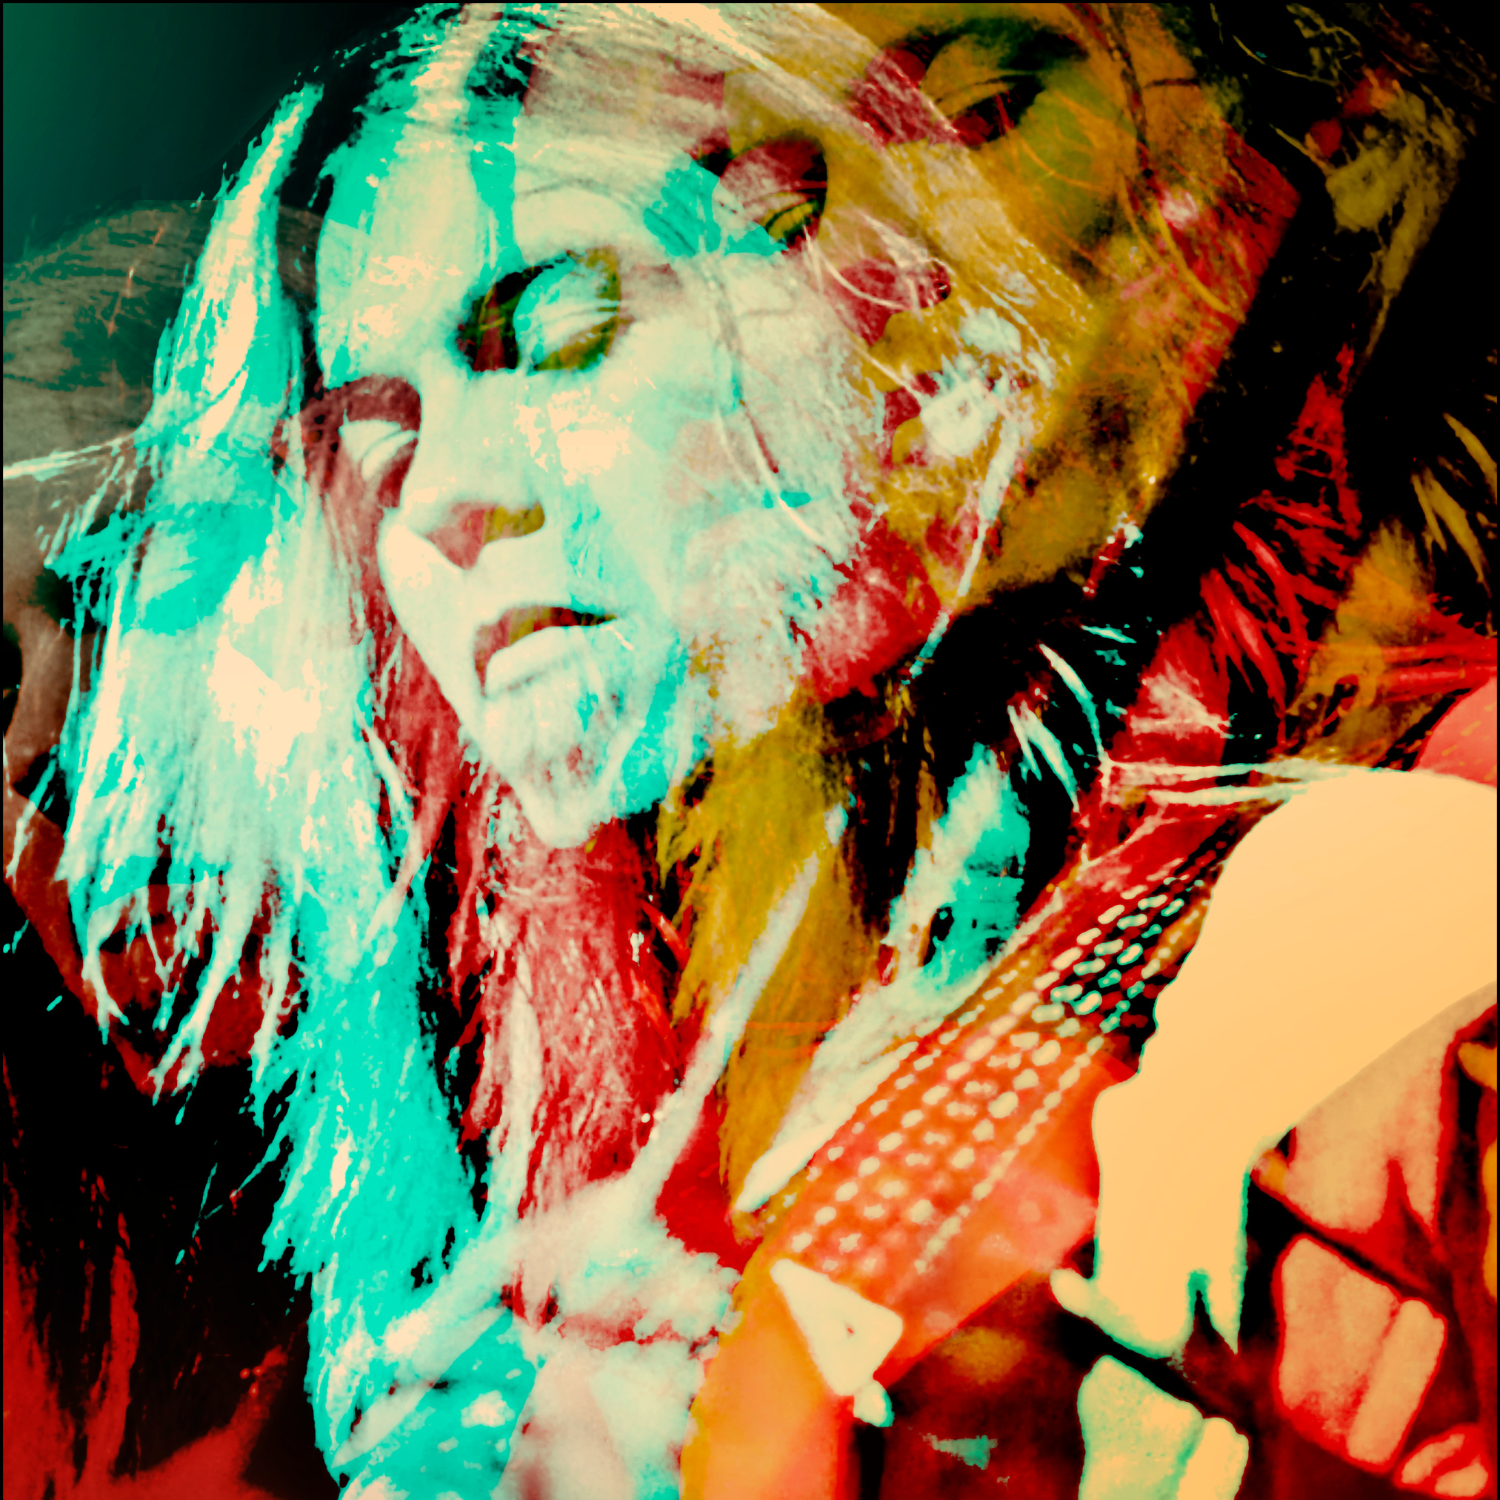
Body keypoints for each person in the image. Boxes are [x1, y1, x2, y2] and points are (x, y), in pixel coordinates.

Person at [3, 4, 1494, 1497]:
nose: (448, 497)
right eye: (379, 451)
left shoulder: (1375, 913)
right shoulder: (641, 1070)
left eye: (561, 332)